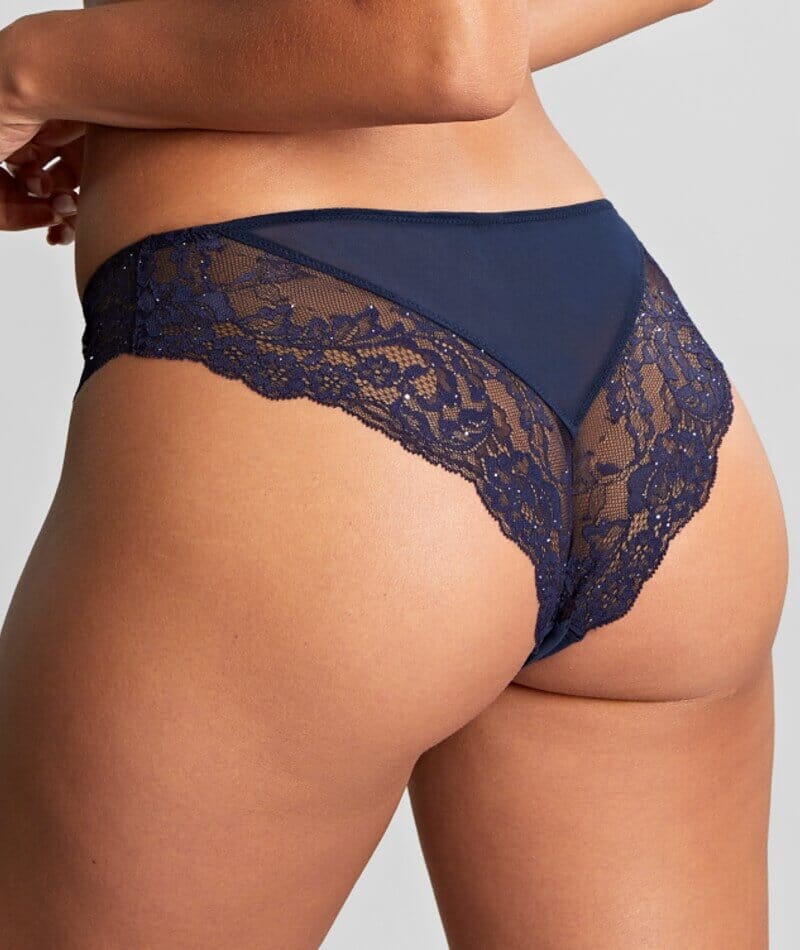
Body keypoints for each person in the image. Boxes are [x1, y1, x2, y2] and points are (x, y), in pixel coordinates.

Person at [0, 2, 789, 947]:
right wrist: (187, 70)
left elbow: (451, 49)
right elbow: (457, 42)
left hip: (306, 371)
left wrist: (33, 70)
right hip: (623, 345)